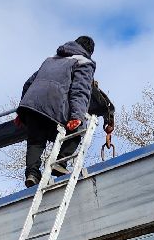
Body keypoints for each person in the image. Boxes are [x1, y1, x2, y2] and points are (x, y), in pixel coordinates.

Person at [18, 35, 97, 187]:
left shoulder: (50, 60)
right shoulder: (84, 63)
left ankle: (32, 173)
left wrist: (21, 112)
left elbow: (28, 83)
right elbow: (80, 91)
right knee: (79, 130)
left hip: (31, 105)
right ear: (89, 52)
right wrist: (77, 116)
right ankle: (59, 163)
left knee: (35, 141)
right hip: (53, 103)